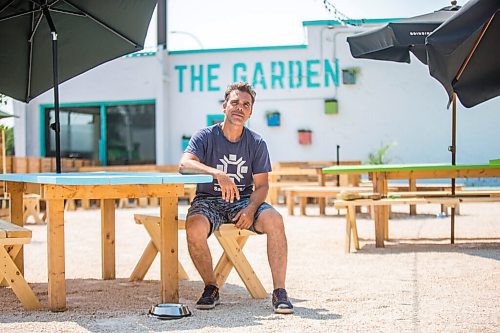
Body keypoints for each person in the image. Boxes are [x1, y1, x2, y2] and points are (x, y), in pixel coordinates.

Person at [178, 82, 293, 314]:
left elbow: (262, 186)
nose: (240, 108)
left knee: (275, 220)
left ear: (250, 112)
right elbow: (184, 164)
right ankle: (211, 287)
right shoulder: (205, 136)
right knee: (193, 228)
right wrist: (217, 173)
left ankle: (280, 292)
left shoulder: (257, 143)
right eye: (235, 103)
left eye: (246, 105)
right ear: (224, 106)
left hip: (243, 201)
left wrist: (251, 209)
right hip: (208, 200)